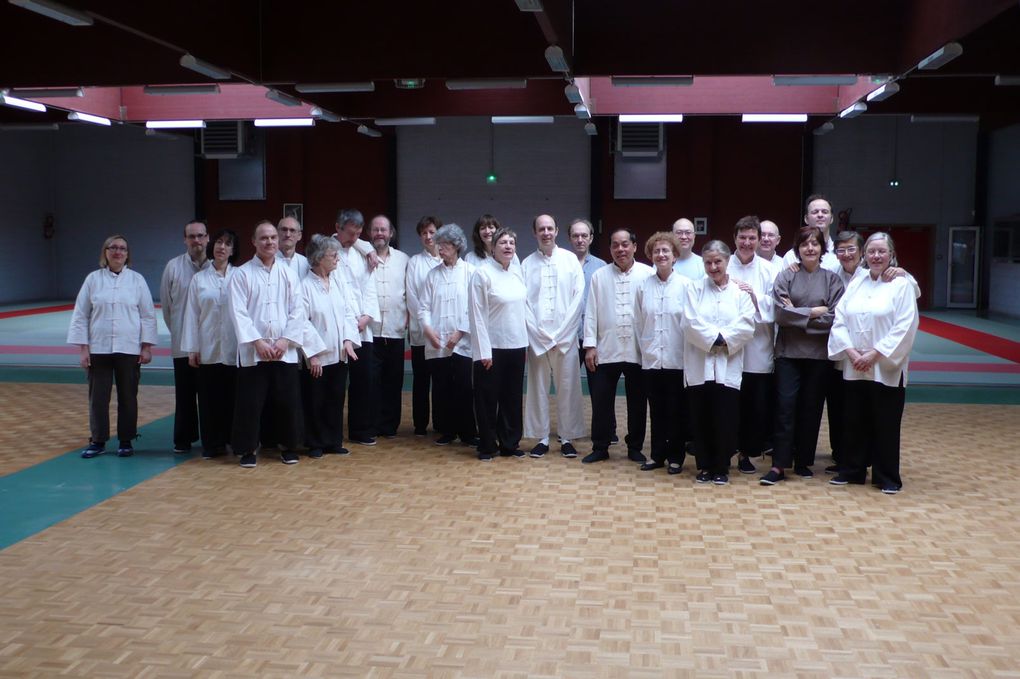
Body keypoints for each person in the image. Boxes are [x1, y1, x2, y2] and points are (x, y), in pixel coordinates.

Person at [828, 232, 919, 494]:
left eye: (881, 251)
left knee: (885, 423)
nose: (876, 256)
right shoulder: (857, 282)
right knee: (854, 421)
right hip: (855, 365)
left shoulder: (901, 285)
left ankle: (887, 476)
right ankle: (852, 470)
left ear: (891, 254)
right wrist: (852, 352)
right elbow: (840, 319)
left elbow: (905, 326)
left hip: (885, 367)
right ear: (864, 255)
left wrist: (875, 354)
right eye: (871, 252)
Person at [761, 226, 844, 485]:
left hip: (819, 355)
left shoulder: (832, 280)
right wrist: (813, 312)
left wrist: (799, 312)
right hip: (788, 353)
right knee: (785, 408)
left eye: (815, 244)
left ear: (822, 249)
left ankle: (804, 460)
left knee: (811, 408)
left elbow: (835, 318)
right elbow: (781, 315)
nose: (810, 248)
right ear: (797, 249)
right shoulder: (786, 276)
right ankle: (779, 465)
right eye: (805, 244)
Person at [68, 235, 157, 458]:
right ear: (105, 252)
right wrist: (83, 349)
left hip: (129, 349)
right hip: (99, 349)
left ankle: (126, 440)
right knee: (98, 398)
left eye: (122, 249)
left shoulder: (137, 280)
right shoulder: (93, 280)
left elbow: (147, 316)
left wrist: (146, 347)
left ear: (128, 254)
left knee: (128, 396)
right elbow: (81, 315)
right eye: (113, 248)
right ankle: (98, 440)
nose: (118, 252)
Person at [228, 220, 308, 468]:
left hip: (284, 351)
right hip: (255, 352)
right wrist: (257, 342)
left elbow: (299, 310)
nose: (270, 242)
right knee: (250, 403)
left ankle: (289, 446)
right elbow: (238, 313)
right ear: (253, 241)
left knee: (287, 401)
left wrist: (285, 340)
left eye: (273, 237)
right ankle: (248, 449)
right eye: (264, 238)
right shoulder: (241, 274)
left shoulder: (289, 273)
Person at [682, 241, 755, 484]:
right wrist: (717, 338)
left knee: (725, 418)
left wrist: (721, 340)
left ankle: (722, 467)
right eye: (708, 262)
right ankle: (704, 466)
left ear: (727, 262)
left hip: (728, 364)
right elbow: (690, 323)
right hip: (699, 364)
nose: (713, 267)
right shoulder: (694, 289)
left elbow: (746, 325)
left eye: (718, 262)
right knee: (700, 417)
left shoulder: (740, 293)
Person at [582, 228, 653, 464]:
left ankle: (635, 446)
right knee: (601, 400)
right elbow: (590, 313)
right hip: (606, 349)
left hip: (638, 349)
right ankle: (600, 446)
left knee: (637, 401)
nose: (620, 249)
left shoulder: (647, 273)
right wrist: (590, 346)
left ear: (634, 246)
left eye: (625, 244)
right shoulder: (599, 276)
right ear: (610, 248)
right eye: (615, 245)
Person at [522, 215, 586, 459]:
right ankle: (540, 437)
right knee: (537, 388)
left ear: (557, 231)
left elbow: (577, 299)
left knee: (568, 387)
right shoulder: (526, 264)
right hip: (537, 338)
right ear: (534, 232)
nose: (546, 232)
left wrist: (560, 334)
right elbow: (524, 303)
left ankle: (567, 437)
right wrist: (538, 334)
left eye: (550, 228)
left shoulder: (570, 261)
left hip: (565, 338)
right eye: (541, 229)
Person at [469, 226, 529, 461]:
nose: (508, 246)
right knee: (486, 399)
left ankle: (509, 444)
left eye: (511, 243)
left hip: (516, 345)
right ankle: (487, 445)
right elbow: (477, 315)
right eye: (502, 242)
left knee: (512, 398)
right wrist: (483, 351)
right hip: (491, 349)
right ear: (492, 247)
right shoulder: (482, 274)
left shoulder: (517, 272)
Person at [634, 232, 691, 475]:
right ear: (650, 256)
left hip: (678, 360)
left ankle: (676, 457)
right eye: (656, 251)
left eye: (666, 251)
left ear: (675, 255)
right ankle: (657, 454)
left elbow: (690, 325)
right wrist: (645, 351)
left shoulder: (687, 286)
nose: (661, 255)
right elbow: (639, 321)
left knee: (676, 411)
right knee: (656, 411)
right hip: (651, 360)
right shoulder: (643, 286)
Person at [180, 229, 239, 459]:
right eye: (218, 242)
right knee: (209, 400)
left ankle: (235, 440)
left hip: (235, 350)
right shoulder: (199, 279)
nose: (221, 247)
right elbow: (191, 315)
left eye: (227, 244)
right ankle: (212, 444)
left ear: (233, 250)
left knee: (234, 399)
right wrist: (192, 348)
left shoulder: (240, 276)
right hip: (208, 349)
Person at [300, 234, 360, 459]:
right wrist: (313, 355)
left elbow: (347, 313)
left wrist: (348, 340)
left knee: (335, 399)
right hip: (318, 357)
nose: (337, 258)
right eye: (332, 255)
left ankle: (333, 440)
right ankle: (315, 442)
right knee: (316, 400)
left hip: (340, 353)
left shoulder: (337, 282)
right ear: (317, 258)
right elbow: (302, 322)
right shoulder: (305, 286)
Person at [727, 216, 779, 474]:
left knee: (754, 407)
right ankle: (727, 449)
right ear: (734, 239)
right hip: (728, 349)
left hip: (758, 349)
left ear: (759, 240)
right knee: (729, 404)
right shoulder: (724, 265)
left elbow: (777, 306)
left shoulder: (769, 270)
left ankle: (747, 453)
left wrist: (752, 295)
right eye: (742, 238)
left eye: (752, 238)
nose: (747, 243)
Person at [419, 224, 477, 448]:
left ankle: (468, 432)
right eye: (439, 244)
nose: (440, 248)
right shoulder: (432, 275)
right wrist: (428, 330)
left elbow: (474, 306)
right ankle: (447, 430)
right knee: (442, 388)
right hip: (437, 341)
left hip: (462, 342)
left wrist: (460, 332)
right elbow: (423, 308)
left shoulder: (470, 272)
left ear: (456, 246)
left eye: (445, 245)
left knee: (464, 387)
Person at [160, 220, 209, 454]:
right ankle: (183, 438)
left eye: (200, 236)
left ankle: (215, 437)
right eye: (192, 236)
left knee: (211, 394)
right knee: (185, 394)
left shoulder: (216, 267)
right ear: (185, 240)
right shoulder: (173, 267)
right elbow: (168, 308)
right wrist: (181, 334)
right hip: (182, 344)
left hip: (212, 345)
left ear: (207, 238)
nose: (196, 241)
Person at [334, 208, 381, 446]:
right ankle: (332, 433)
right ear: (338, 228)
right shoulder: (327, 248)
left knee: (364, 380)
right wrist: (348, 321)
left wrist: (366, 317)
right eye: (350, 233)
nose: (353, 239)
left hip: (362, 326)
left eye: (358, 234)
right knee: (336, 381)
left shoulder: (362, 253)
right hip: (338, 326)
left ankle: (361, 429)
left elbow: (369, 288)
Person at [569, 218, 616, 445]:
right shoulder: (563, 264)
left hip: (593, 339)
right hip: (567, 337)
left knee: (600, 389)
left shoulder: (602, 267)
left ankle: (607, 431)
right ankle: (568, 430)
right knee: (568, 386)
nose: (580, 239)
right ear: (569, 238)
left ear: (591, 238)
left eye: (584, 235)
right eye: (575, 235)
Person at [368, 215, 410, 438]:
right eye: (375, 230)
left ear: (391, 233)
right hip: (370, 332)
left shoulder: (404, 259)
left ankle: (389, 426)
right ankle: (372, 424)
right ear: (370, 233)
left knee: (393, 382)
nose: (379, 234)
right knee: (371, 382)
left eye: (383, 230)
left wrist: (408, 319)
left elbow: (409, 292)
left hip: (395, 330)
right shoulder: (362, 256)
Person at [404, 216, 443, 437]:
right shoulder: (414, 263)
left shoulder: (447, 259)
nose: (428, 237)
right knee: (421, 380)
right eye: (424, 233)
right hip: (421, 333)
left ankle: (441, 423)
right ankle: (420, 424)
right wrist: (427, 326)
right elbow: (412, 298)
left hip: (443, 334)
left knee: (441, 381)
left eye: (431, 232)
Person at [783, 195, 841, 273]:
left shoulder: (841, 253)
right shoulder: (792, 256)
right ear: (806, 219)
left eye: (825, 212)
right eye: (815, 212)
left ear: (831, 219)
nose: (820, 215)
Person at [276, 215, 310, 279]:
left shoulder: (306, 264)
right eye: (284, 229)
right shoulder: (268, 262)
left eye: (292, 230)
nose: (288, 234)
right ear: (277, 233)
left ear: (299, 236)